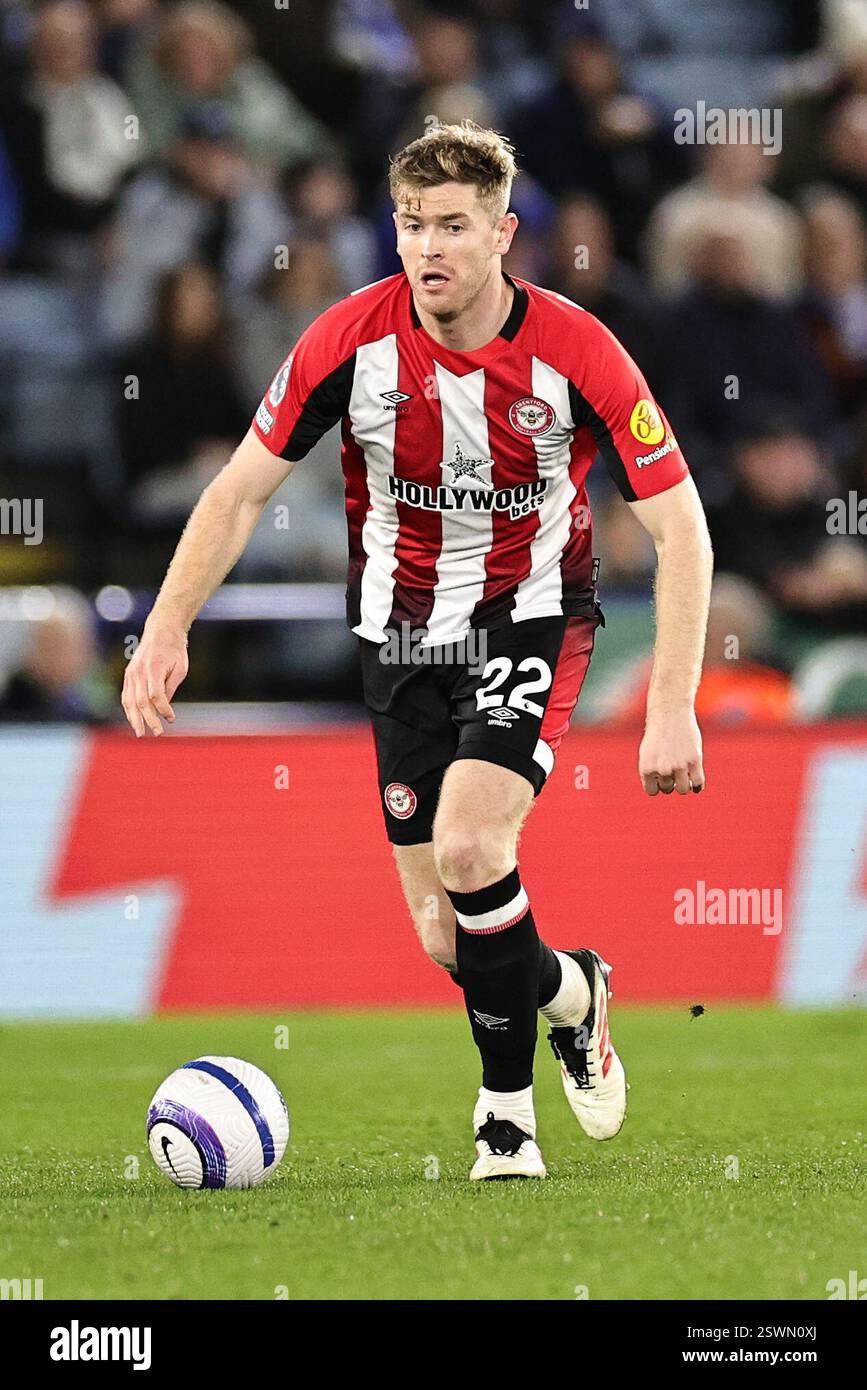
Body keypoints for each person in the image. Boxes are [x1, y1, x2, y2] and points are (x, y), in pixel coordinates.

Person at [121, 123, 713, 1181]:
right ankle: (576, 992)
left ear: (503, 234)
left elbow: (681, 528)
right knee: (450, 938)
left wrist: (673, 705)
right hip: (397, 639)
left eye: (451, 226)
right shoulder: (348, 341)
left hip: (532, 616)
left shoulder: (578, 350)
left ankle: (504, 1117)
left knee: (477, 849)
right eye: (410, 224)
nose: (428, 246)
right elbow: (240, 490)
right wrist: (166, 625)